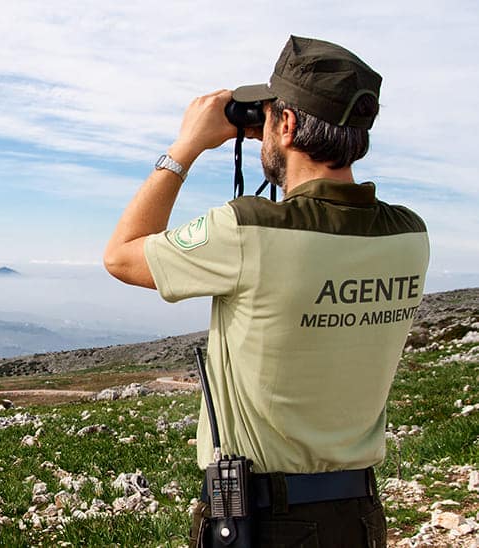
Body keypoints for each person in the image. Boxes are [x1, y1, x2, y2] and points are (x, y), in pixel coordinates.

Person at [103, 35, 429, 547]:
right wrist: (282, 134)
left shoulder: (249, 231)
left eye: (272, 116)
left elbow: (121, 256)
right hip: (359, 517)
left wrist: (185, 147)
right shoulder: (409, 236)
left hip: (264, 521)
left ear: (289, 124)